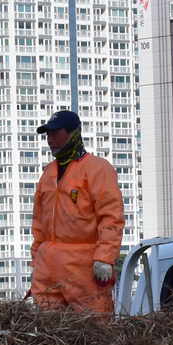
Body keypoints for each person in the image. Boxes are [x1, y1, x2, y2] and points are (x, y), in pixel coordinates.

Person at [29, 109, 125, 312]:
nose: (50, 139)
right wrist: (36, 261)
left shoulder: (97, 168)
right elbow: (39, 223)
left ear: (73, 133)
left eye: (55, 133)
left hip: (84, 269)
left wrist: (104, 258)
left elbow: (111, 216)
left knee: (93, 325)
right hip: (47, 269)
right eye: (48, 134)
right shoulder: (48, 173)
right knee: (48, 327)